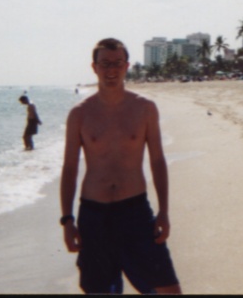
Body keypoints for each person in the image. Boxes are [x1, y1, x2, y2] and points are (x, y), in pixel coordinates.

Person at [60, 38, 181, 294]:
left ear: (127, 66)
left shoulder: (145, 109)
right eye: (105, 63)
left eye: (117, 63)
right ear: (94, 67)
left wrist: (164, 211)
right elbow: (69, 168)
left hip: (135, 212)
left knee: (168, 290)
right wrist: (67, 220)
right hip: (94, 216)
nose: (111, 69)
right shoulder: (79, 114)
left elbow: (157, 160)